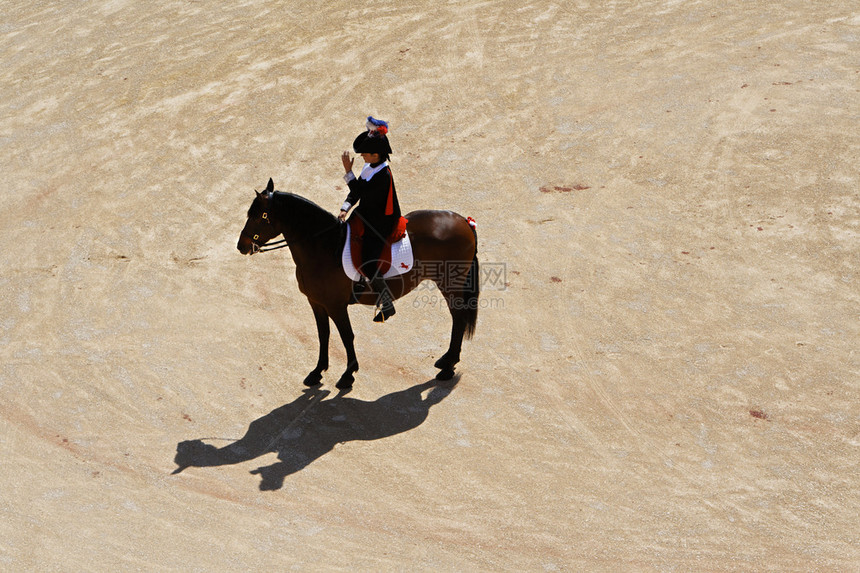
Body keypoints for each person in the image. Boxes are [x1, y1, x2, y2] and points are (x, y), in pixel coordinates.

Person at [338, 116, 401, 323]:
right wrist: (345, 208)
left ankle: (387, 302)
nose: (362, 154)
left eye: (365, 152)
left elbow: (361, 192)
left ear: (376, 155)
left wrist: (348, 172)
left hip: (380, 223)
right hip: (366, 214)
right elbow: (357, 194)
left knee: (369, 260)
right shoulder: (369, 167)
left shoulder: (383, 175)